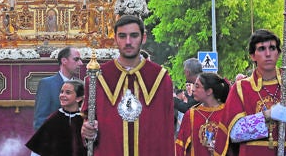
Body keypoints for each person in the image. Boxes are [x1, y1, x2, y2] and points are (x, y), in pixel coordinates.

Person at [81, 15, 175, 155]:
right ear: (115, 39)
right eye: (122, 36)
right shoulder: (98, 78)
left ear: (143, 38)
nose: (128, 42)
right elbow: (88, 126)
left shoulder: (161, 79)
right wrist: (87, 132)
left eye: (134, 35)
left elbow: (167, 131)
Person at [216, 29, 286, 156]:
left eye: (272, 48)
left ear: (278, 53)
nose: (268, 53)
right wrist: (267, 115)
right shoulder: (241, 88)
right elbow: (234, 133)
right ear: (252, 55)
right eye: (261, 49)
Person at [26, 79, 87, 156]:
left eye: (68, 92)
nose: (62, 95)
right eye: (61, 92)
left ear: (78, 98)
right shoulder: (53, 119)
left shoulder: (84, 119)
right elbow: (38, 149)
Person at [176, 72, 230, 156]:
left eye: (197, 86)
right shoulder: (191, 115)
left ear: (209, 91)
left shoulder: (227, 113)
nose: (193, 89)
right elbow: (180, 147)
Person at [33, 46, 83, 131]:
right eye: (76, 59)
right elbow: (40, 119)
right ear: (64, 61)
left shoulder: (82, 85)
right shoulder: (47, 84)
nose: (81, 63)